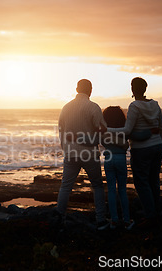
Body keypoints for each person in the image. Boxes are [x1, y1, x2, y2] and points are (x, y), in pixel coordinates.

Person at [107, 77, 162, 229]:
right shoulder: (155, 104)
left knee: (142, 183)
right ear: (145, 89)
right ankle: (156, 214)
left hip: (141, 149)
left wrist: (106, 130)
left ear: (133, 89)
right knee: (154, 181)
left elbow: (127, 131)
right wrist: (159, 143)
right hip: (157, 147)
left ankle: (151, 216)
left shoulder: (134, 106)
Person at [57, 79, 110, 230]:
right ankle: (100, 219)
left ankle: (60, 217)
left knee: (65, 187)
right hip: (90, 153)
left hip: (71, 153)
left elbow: (61, 131)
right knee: (97, 186)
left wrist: (66, 148)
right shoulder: (93, 107)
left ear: (76, 89)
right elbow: (102, 131)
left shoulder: (66, 108)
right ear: (90, 90)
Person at [101, 106, 134, 230]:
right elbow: (126, 144)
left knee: (111, 190)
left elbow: (102, 142)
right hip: (120, 158)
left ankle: (114, 221)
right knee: (122, 190)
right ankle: (126, 220)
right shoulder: (124, 130)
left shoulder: (104, 131)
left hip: (108, 159)